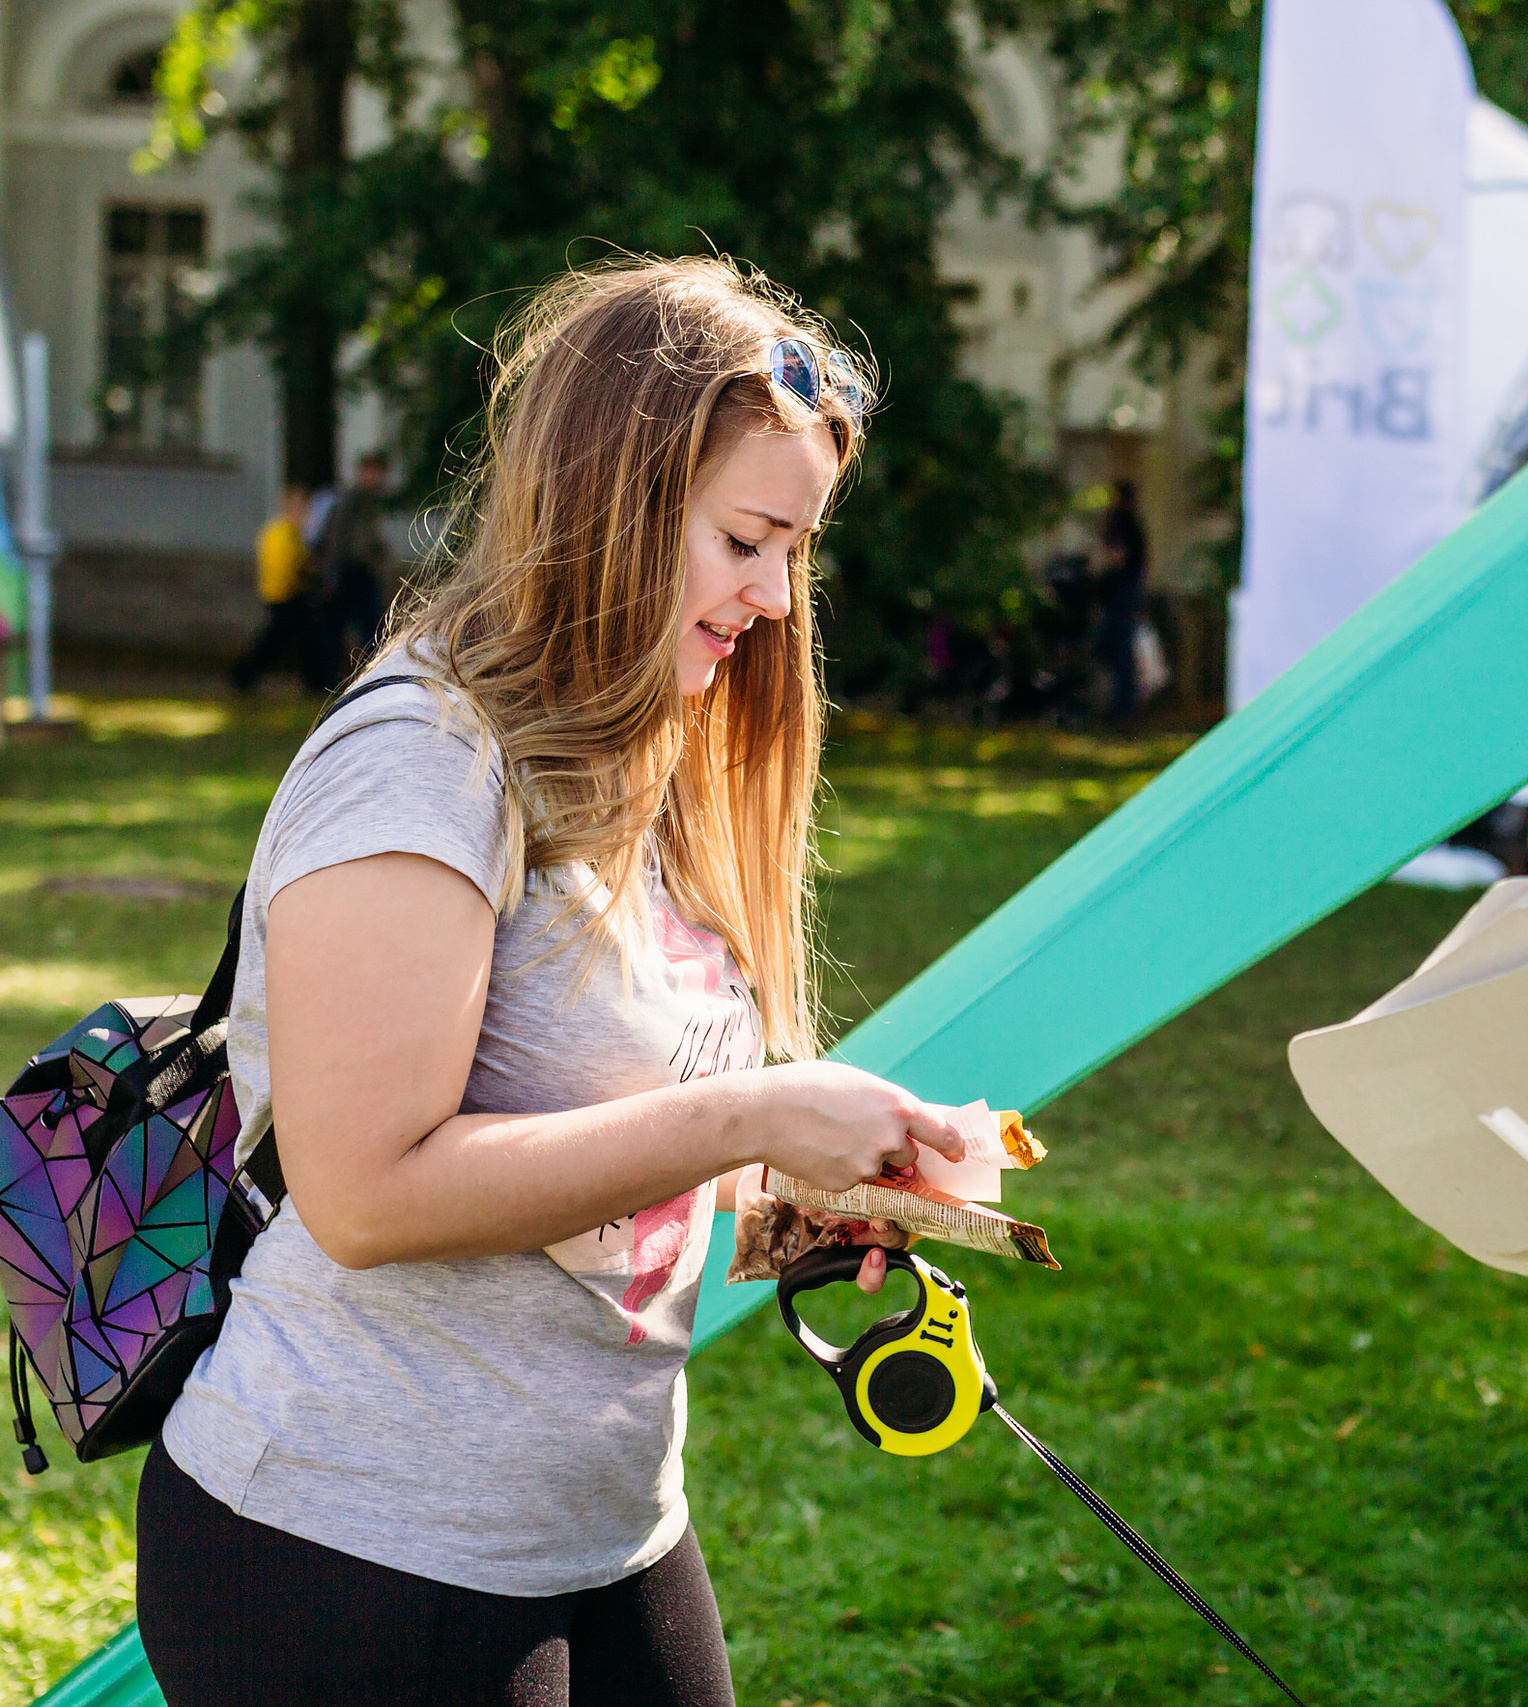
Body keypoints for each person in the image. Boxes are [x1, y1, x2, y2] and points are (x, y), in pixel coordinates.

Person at [138, 256, 962, 1704]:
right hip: (346, 1543)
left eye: (795, 550)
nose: (776, 597)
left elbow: (628, 1132)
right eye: (746, 540)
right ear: (616, 503)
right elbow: (368, 1190)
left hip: (607, 1524)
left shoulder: (659, 744)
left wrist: (822, 1201)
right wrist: (752, 1113)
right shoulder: (419, 761)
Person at [228, 485, 327, 695]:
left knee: (285, 642)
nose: (306, 516)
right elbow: (289, 565)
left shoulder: (283, 532)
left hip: (284, 595)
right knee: (281, 642)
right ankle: (243, 677)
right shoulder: (283, 533)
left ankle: (244, 677)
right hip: (285, 596)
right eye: (303, 510)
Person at [314, 450, 394, 683]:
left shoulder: (369, 502)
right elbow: (336, 540)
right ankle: (329, 679)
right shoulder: (351, 500)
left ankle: (367, 675)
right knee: (342, 629)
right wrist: (331, 577)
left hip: (360, 571)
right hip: (348, 572)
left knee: (370, 627)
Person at [1096, 478, 1149, 722]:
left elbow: (1119, 557)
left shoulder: (1122, 522)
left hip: (1121, 594)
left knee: (1118, 650)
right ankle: (1124, 704)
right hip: (1128, 592)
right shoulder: (1133, 523)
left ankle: (1122, 707)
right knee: (1121, 649)